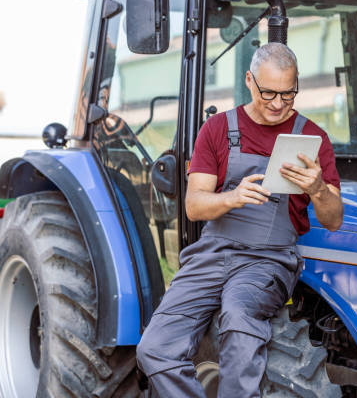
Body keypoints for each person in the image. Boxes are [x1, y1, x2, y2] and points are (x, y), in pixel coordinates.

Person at [136, 42, 343, 397]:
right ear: (249, 80)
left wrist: (318, 188)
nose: (279, 104)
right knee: (154, 347)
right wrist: (232, 197)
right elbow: (194, 206)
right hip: (212, 255)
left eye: (288, 94)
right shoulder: (217, 129)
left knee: (239, 319)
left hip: (268, 259)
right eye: (269, 93)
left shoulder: (313, 138)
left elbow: (334, 219)